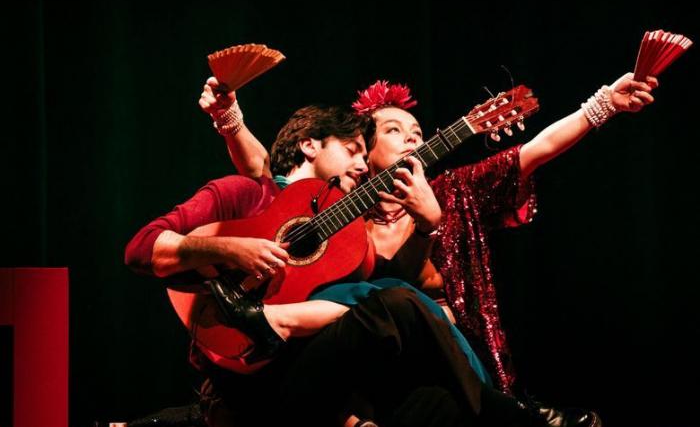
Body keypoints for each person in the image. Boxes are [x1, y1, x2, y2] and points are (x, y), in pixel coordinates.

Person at [126, 101, 602, 427]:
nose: (359, 164)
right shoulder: (246, 194)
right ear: (312, 145)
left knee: (439, 397)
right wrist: (229, 250)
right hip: (250, 378)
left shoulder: (348, 228)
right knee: (398, 301)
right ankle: (517, 414)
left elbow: (526, 156)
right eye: (353, 150)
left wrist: (429, 226)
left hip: (325, 372)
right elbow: (144, 246)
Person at [201, 71, 658, 394]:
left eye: (417, 131)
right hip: (362, 359)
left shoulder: (452, 190)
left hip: (440, 348)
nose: (412, 139)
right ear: (363, 150)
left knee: (397, 295)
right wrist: (230, 119)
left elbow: (533, 152)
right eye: (394, 130)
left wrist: (602, 105)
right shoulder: (336, 202)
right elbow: (268, 176)